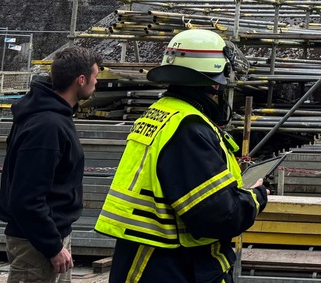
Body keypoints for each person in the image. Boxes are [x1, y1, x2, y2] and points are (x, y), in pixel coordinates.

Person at [96, 29, 266, 283]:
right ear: (212, 81)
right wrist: (255, 197)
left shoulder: (164, 113)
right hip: (169, 266)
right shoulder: (189, 129)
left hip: (154, 259)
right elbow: (215, 216)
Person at [0, 46, 102, 283]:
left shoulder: (54, 116)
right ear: (81, 80)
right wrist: (52, 247)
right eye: (95, 77)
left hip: (49, 235)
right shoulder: (47, 126)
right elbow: (26, 198)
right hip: (37, 243)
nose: (97, 84)